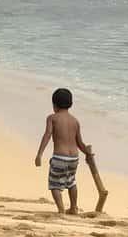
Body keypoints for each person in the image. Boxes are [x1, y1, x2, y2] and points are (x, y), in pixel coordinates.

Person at [34, 87, 92, 215]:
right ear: (70, 104)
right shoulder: (75, 121)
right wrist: (87, 153)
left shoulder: (52, 118)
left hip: (60, 157)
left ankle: (61, 210)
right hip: (74, 158)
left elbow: (47, 135)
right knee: (71, 182)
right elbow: (80, 143)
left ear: (54, 105)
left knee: (55, 184)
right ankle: (73, 207)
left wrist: (39, 154)